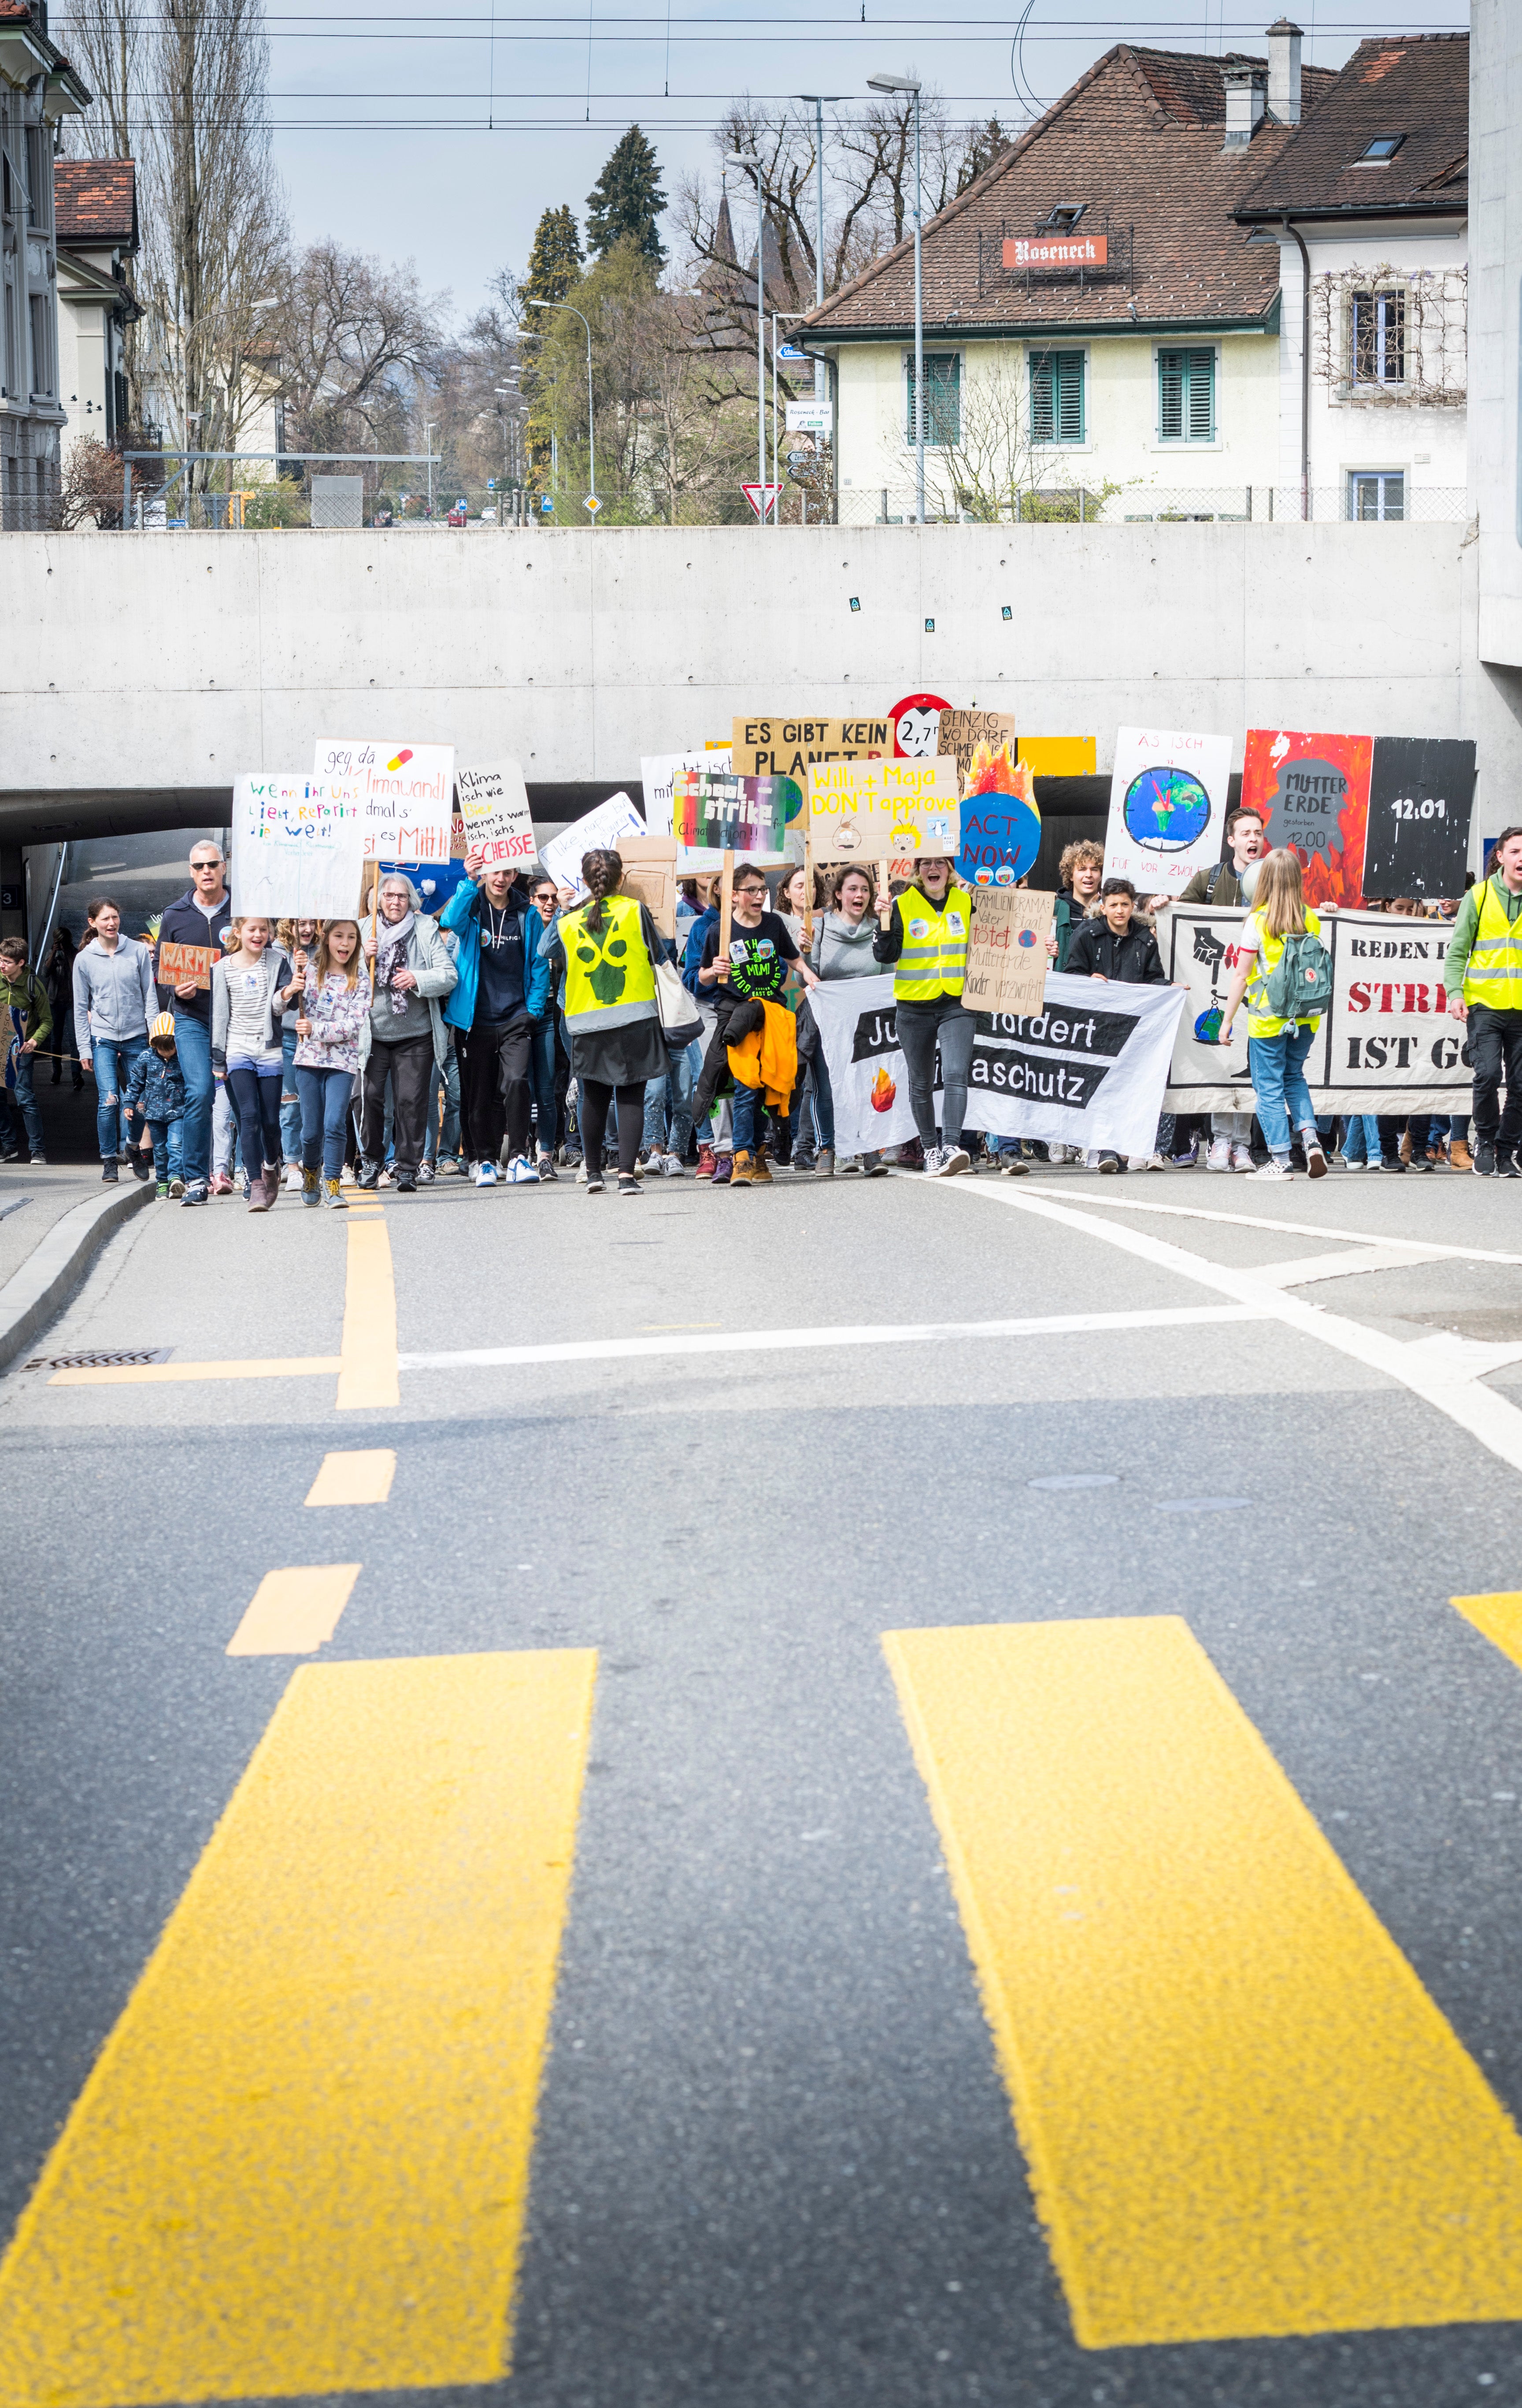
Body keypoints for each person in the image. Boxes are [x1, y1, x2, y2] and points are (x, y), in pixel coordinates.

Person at [542, 848, 668, 1196]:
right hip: (634, 1017)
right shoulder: (635, 910)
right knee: (630, 1094)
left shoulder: (568, 922)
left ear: (583, 882)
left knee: (592, 1096)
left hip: (586, 1021)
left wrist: (563, 910)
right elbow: (660, 954)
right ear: (622, 879)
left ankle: (594, 1172)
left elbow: (544, 949)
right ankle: (626, 1175)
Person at [696, 860, 820, 1187]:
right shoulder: (718, 930)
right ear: (733, 895)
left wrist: (806, 972)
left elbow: (793, 956)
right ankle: (742, 1157)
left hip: (773, 1016)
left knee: (774, 1086)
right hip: (737, 1017)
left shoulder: (773, 924)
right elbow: (701, 977)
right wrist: (714, 969)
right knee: (746, 1086)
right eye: (751, 890)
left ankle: (761, 1153)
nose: (758, 895)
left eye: (762, 889)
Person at [1161, 805, 1268, 1172]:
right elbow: (1178, 918)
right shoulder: (1208, 879)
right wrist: (1159, 904)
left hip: (1259, 987)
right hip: (1216, 983)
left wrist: (1327, 909)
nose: (1252, 839)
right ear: (1231, 840)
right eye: (1245, 833)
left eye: (1257, 833)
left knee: (1249, 1066)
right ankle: (1220, 1140)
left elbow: (1298, 913)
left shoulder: (1274, 880)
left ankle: (1242, 1145)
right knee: (1222, 1059)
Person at [1216, 848, 1329, 1183]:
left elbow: (1241, 975)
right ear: (1297, 880)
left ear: (1261, 881)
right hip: (1305, 1016)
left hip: (1268, 1018)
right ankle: (1310, 1139)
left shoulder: (1257, 921)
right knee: (1294, 1078)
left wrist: (1226, 1020)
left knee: (1268, 1086)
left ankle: (1280, 1159)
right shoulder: (1310, 917)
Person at [441, 854, 546, 1188]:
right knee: (478, 1093)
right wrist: (468, 880)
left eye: (508, 872)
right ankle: (484, 1160)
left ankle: (517, 1156)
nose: (501, 878)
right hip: (475, 1020)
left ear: (516, 874)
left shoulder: (528, 914)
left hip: (516, 1017)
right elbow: (449, 918)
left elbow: (539, 963)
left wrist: (533, 1011)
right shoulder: (471, 907)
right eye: (495, 871)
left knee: (516, 1082)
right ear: (486, 872)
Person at [870, 855, 974, 1177]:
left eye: (940, 863)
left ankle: (951, 1146)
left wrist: (1041, 947)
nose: (933, 869)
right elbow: (884, 955)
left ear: (950, 869)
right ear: (916, 871)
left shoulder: (965, 902)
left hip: (956, 1002)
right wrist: (884, 923)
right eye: (926, 863)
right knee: (921, 1082)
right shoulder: (902, 904)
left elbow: (995, 946)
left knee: (956, 1072)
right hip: (914, 1007)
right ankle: (930, 1149)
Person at [359, 874, 459, 1193]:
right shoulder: (364, 929)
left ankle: (407, 1168)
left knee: (411, 1102)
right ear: (379, 899)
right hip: (373, 1033)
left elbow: (448, 975)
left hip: (415, 1033)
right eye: (388, 896)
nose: (395, 902)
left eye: (402, 897)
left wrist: (417, 978)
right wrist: (362, 959)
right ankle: (372, 1162)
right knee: (371, 1099)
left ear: (411, 901)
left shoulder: (425, 927)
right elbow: (339, 975)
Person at [1064, 878, 1170, 1172]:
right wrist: (1088, 980)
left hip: (1133, 1027)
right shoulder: (1086, 934)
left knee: (1128, 1087)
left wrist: (1171, 987)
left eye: (1125, 904)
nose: (1120, 910)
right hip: (1096, 1025)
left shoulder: (1145, 939)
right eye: (1113, 905)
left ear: (1133, 905)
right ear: (1103, 907)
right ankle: (1105, 1148)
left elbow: (1153, 978)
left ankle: (1125, 1147)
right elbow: (1071, 972)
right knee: (1103, 1086)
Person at [156, 840, 235, 1207]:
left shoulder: (242, 910)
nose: (206, 871)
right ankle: (196, 1178)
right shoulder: (174, 915)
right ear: (191, 872)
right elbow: (163, 974)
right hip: (192, 1019)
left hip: (237, 1018)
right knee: (200, 1092)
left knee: (243, 1096)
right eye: (199, 866)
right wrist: (177, 990)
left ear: (223, 867)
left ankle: (249, 1171)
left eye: (212, 864)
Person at [1444, 825, 1522, 1178]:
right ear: (1501, 856)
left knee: (1521, 1084)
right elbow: (1457, 951)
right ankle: (1486, 1142)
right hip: (1485, 1005)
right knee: (1488, 1074)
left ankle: (1507, 1150)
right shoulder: (1478, 896)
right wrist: (1455, 993)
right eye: (1516, 851)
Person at [211, 916, 295, 1212]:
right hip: (237, 1048)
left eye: (263, 929)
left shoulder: (277, 961)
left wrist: (289, 990)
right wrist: (218, 1057)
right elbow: (220, 1013)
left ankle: (271, 1165)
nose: (258, 934)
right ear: (238, 932)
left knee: (271, 1121)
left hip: (268, 1047)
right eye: (252, 929)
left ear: (270, 932)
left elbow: (282, 1007)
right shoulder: (222, 968)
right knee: (249, 1116)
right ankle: (256, 1184)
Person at [809, 863, 886, 1176]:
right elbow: (809, 971)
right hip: (828, 1020)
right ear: (838, 894)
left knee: (868, 1084)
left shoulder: (880, 927)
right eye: (852, 889)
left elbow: (888, 973)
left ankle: (870, 1149)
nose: (860, 894)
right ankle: (828, 1149)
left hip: (866, 1023)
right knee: (828, 1087)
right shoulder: (820, 927)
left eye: (865, 889)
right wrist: (803, 952)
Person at [73, 898, 157, 1183]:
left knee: (141, 1103)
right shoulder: (84, 959)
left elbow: (150, 996)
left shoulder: (136, 951)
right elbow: (80, 1006)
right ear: (92, 922)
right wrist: (84, 1047)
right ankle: (109, 1160)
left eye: (115, 917)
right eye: (106, 918)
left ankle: (133, 1147)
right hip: (104, 1039)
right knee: (109, 1101)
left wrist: (156, 1035)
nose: (112, 923)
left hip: (137, 1037)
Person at [293, 918, 371, 1208]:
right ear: (326, 938)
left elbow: (352, 1025)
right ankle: (311, 1171)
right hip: (309, 1060)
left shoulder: (361, 979)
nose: (345, 943)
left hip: (342, 1062)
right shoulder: (310, 972)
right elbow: (284, 1003)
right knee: (311, 1130)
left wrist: (316, 1030)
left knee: (335, 1123)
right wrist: (295, 974)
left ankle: (333, 1182)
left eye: (352, 937)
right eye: (339, 936)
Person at [276, 918, 321, 1187]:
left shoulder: (324, 951)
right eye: (301, 923)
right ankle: (292, 1163)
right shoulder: (275, 952)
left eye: (311, 923)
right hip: (286, 1036)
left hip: (315, 1036)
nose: (307, 930)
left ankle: (315, 1161)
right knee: (290, 1103)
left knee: (314, 1103)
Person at [0, 935, 52, 1165]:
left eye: (7, 962)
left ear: (21, 963)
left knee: (25, 1099)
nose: (2, 965)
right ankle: (8, 1146)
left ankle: (37, 1150)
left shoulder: (33, 985)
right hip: (0, 1047)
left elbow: (47, 1021)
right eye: (0, 960)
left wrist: (34, 1041)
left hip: (22, 1050)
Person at [526, 872, 564, 1173]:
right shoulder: (524, 926)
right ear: (531, 900)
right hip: (522, 1013)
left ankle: (546, 1155)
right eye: (543, 897)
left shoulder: (565, 927)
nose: (550, 902)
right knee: (518, 1086)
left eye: (554, 897)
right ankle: (521, 1148)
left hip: (556, 1013)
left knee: (549, 1087)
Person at [125, 1013, 187, 1197]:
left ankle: (175, 1178)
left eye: (171, 1048)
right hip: (154, 1115)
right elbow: (136, 1083)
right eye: (163, 1049)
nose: (167, 1053)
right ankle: (162, 1182)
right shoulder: (146, 1058)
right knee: (160, 1150)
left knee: (176, 1145)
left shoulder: (183, 1057)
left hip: (178, 1111)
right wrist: (130, 1102)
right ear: (154, 1044)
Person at [1052, 841, 1104, 974]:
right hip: (1061, 990)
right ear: (1070, 875)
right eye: (1082, 869)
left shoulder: (1109, 912)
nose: (1089, 874)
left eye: (1095, 869)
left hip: (1097, 990)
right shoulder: (1052, 909)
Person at [44, 927, 81, 1091]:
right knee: (55, 1040)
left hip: (73, 1002)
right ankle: (56, 1071)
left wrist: (67, 954)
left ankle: (76, 1075)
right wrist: (53, 953)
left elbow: (77, 973)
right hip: (55, 1002)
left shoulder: (75, 953)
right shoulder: (50, 953)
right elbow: (46, 972)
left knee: (74, 1040)